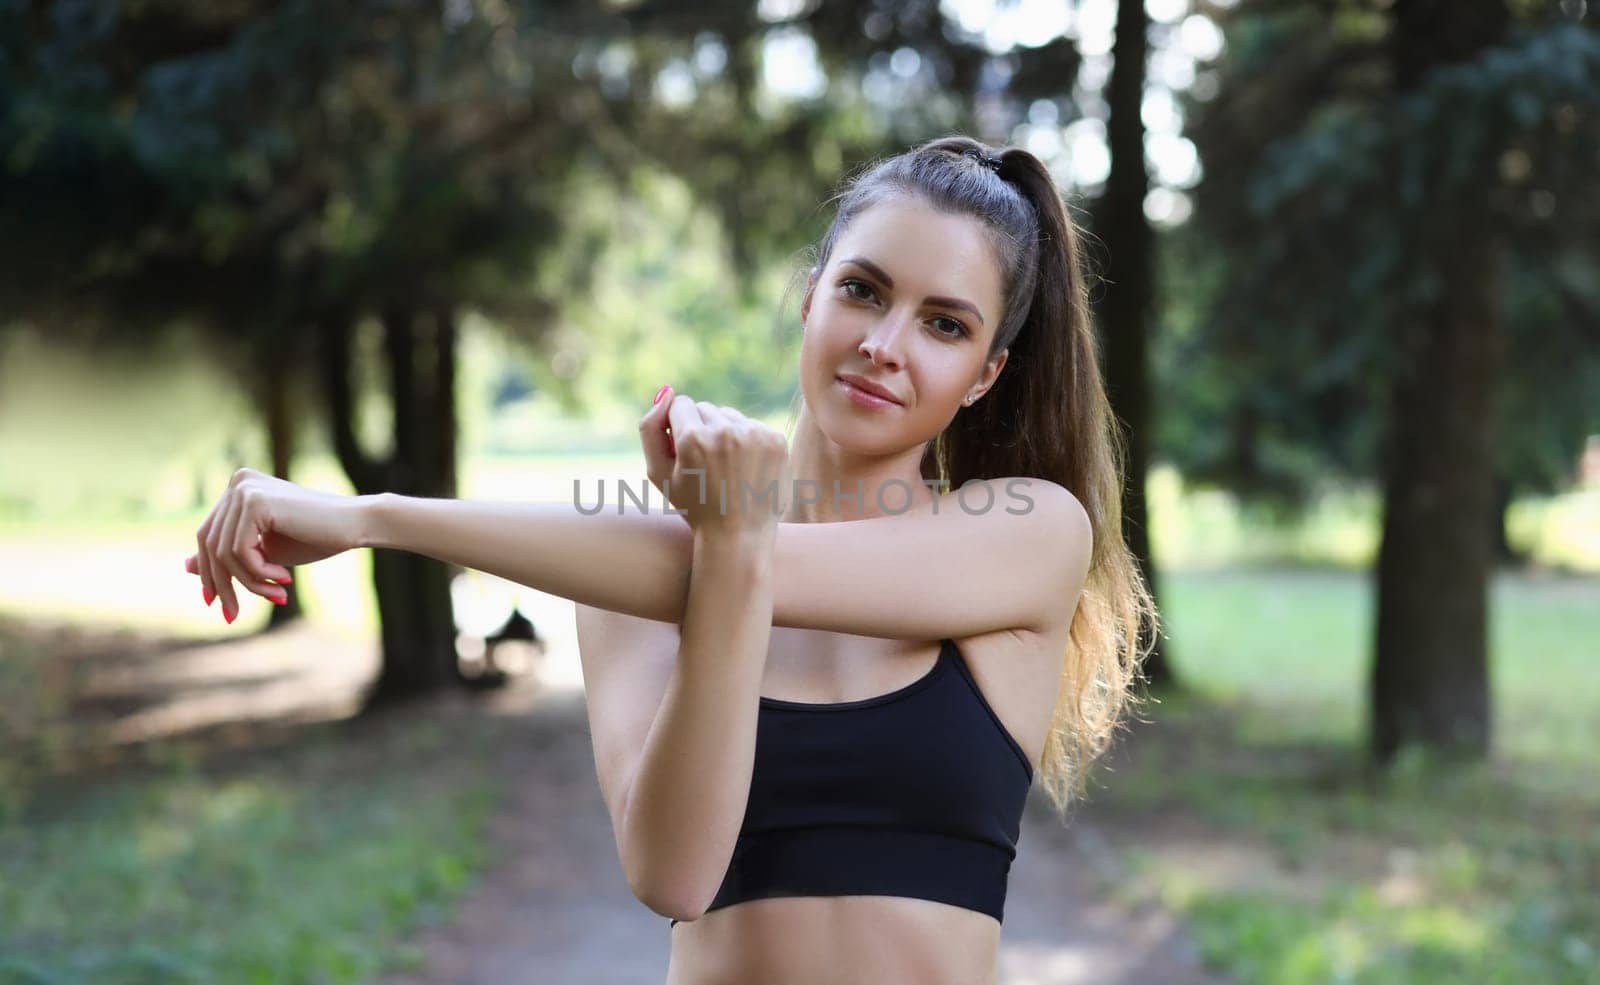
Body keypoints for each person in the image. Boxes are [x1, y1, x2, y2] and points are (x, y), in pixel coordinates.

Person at [184, 135, 1157, 984]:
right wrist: (727, 534)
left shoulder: (1032, 530)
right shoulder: (627, 589)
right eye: (862, 290)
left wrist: (372, 517)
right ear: (810, 293)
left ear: (986, 374)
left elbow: (760, 567)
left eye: (945, 324)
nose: (884, 344)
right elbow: (675, 875)